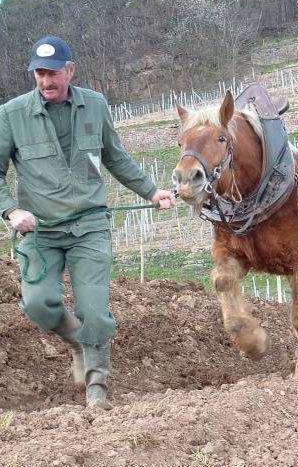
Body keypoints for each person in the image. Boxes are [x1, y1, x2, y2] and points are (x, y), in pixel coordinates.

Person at [0, 35, 175, 409]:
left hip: (89, 227)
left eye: (52, 73)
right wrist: (11, 210)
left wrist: (151, 191)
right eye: (39, 74)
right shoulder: (11, 114)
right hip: (40, 231)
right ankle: (79, 342)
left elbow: (116, 157)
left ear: (70, 70)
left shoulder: (94, 105)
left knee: (94, 309)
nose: (45, 81)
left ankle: (97, 388)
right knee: (38, 304)